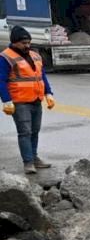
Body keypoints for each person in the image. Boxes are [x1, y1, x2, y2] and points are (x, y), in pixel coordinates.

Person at [1, 26, 56, 174]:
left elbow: (41, 76)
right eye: (24, 43)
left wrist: (48, 93)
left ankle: (34, 157)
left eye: (28, 42)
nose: (27, 45)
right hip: (19, 101)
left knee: (34, 131)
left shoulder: (35, 55)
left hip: (35, 99)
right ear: (14, 42)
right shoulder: (6, 57)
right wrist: (6, 100)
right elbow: (1, 80)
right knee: (25, 131)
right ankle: (28, 162)